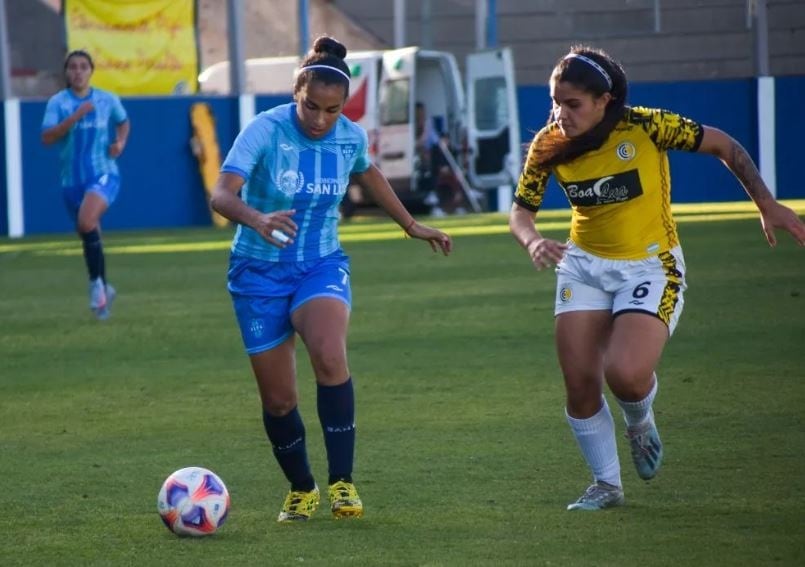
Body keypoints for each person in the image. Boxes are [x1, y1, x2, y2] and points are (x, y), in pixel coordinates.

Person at [509, 45, 805, 511]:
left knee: (625, 374)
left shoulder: (645, 126)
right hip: (583, 264)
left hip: (650, 264)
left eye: (572, 104)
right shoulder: (550, 143)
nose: (559, 114)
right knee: (580, 380)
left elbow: (723, 144)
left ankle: (640, 420)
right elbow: (520, 210)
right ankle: (606, 485)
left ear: (605, 100)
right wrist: (531, 240)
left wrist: (765, 202)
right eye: (554, 102)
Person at [210, 36, 452, 523]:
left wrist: (410, 225)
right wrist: (257, 219)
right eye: (311, 107)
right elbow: (221, 194)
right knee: (279, 400)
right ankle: (302, 489)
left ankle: (343, 483)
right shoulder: (264, 130)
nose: (321, 119)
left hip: (320, 263)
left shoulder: (350, 136)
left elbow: (371, 174)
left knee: (327, 351)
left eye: (333, 109)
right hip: (256, 273)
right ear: (296, 93)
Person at [41, 50, 130, 320]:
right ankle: (103, 291)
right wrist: (74, 117)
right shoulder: (59, 103)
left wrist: (120, 143)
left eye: (83, 67)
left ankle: (95, 286)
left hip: (104, 173)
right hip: (71, 180)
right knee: (90, 233)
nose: (78, 72)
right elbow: (47, 137)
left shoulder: (106, 99)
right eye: (73, 67)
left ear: (91, 71)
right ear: (66, 73)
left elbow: (123, 122)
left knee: (86, 222)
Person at [414, 101, 465, 216]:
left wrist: (443, 141)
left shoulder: (429, 123)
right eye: (419, 112)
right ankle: (442, 168)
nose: (421, 114)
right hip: (425, 156)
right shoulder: (414, 126)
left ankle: (458, 203)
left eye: (422, 112)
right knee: (433, 155)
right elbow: (420, 143)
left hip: (436, 152)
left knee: (441, 150)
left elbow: (436, 139)